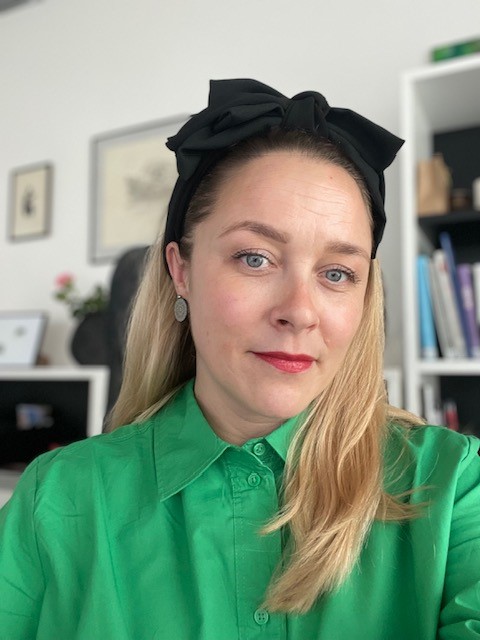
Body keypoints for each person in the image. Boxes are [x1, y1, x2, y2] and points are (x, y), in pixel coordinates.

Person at [1, 79, 479, 640]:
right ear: (181, 270)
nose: (299, 312)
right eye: (255, 258)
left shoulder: (453, 485)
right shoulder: (54, 500)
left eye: (337, 273)